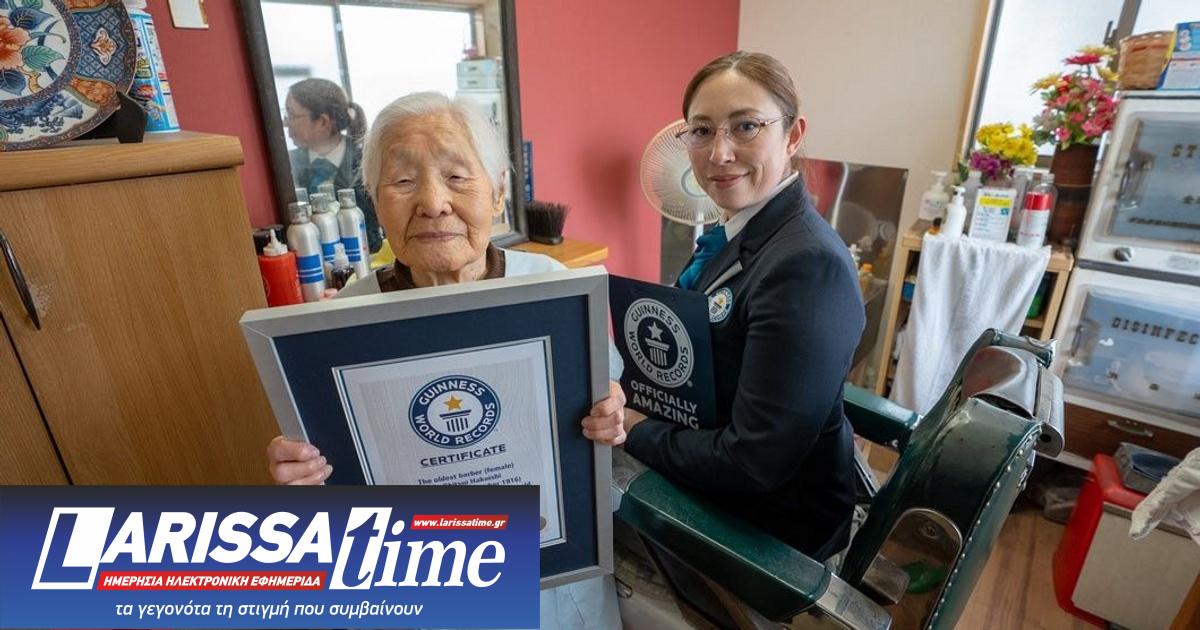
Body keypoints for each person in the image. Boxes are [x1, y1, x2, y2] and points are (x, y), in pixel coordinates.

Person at [267, 91, 626, 629]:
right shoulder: (338, 326)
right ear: (375, 202)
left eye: (457, 177)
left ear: (498, 193)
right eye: (403, 181)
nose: (433, 203)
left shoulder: (555, 291)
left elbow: (606, 395)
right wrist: (303, 473)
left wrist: (609, 413)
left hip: (554, 579)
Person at [621, 51, 864, 562]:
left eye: (746, 126)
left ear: (793, 136)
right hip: (707, 464)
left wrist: (635, 428)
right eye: (701, 131)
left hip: (769, 536)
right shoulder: (739, 233)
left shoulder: (806, 268)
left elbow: (754, 462)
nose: (719, 153)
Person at [283, 78, 383, 253]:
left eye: (292, 115)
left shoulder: (367, 161)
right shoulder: (286, 164)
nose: (285, 123)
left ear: (323, 122)